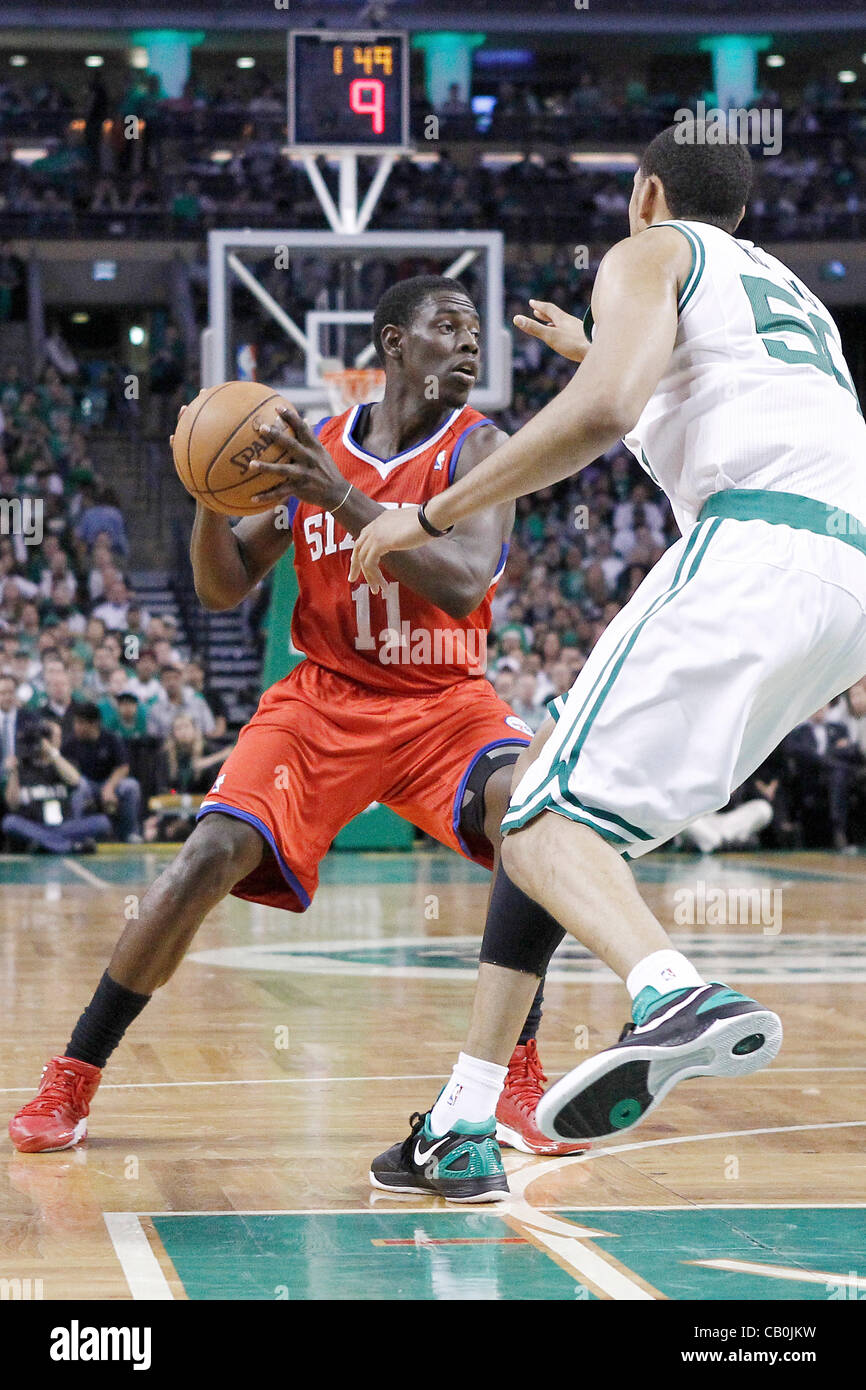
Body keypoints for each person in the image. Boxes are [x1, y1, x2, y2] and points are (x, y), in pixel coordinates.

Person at [347, 124, 866, 1201]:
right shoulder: (787, 295)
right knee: (552, 821)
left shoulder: (648, 251)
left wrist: (424, 511)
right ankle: (461, 1120)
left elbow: (609, 410)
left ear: (645, 194)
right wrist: (598, 350)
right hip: (841, 585)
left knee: (529, 819)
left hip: (754, 546)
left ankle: (673, 993)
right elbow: (686, 394)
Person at [9, 275, 585, 1163]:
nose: (471, 343)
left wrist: (341, 497)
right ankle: (74, 1073)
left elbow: (465, 580)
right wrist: (211, 496)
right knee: (205, 856)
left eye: (477, 330)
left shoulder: (483, 448)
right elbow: (223, 584)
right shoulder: (311, 447)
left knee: (531, 812)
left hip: (445, 704)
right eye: (448, 326)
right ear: (393, 345)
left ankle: (515, 1068)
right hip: (325, 699)